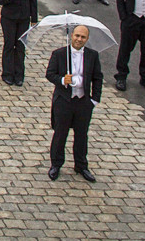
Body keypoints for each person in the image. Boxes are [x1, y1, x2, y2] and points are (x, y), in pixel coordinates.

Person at [46, 24, 103, 182]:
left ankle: (81, 165)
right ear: (72, 35)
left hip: (83, 102)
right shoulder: (59, 54)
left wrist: (94, 100)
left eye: (83, 37)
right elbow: (50, 74)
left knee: (81, 135)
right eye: (77, 36)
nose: (79, 39)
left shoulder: (93, 55)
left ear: (87, 39)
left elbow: (98, 78)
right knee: (60, 134)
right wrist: (63, 79)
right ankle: (56, 164)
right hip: (64, 101)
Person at [0, 0, 35, 86]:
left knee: (20, 46)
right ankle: (7, 73)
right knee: (9, 45)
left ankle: (19, 74)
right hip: (9, 17)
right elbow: (0, 0)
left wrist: (34, 18)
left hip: (24, 17)